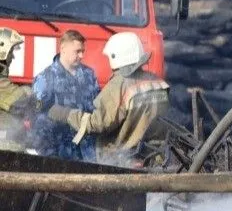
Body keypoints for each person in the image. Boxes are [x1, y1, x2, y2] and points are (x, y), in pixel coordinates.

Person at [47, 32, 170, 167]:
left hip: (123, 161)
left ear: (116, 57)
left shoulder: (120, 84)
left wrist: (62, 113)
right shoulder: (157, 82)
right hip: (155, 157)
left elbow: (97, 123)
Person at [31, 30, 100, 161]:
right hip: (59, 155)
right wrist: (48, 154)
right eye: (77, 51)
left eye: (82, 51)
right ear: (63, 48)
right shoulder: (45, 78)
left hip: (87, 154)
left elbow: (96, 107)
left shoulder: (89, 75)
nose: (81, 56)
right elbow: (37, 117)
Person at [0, 27, 36, 152]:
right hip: (5, 148)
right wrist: (29, 93)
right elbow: (18, 102)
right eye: (11, 52)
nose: (13, 57)